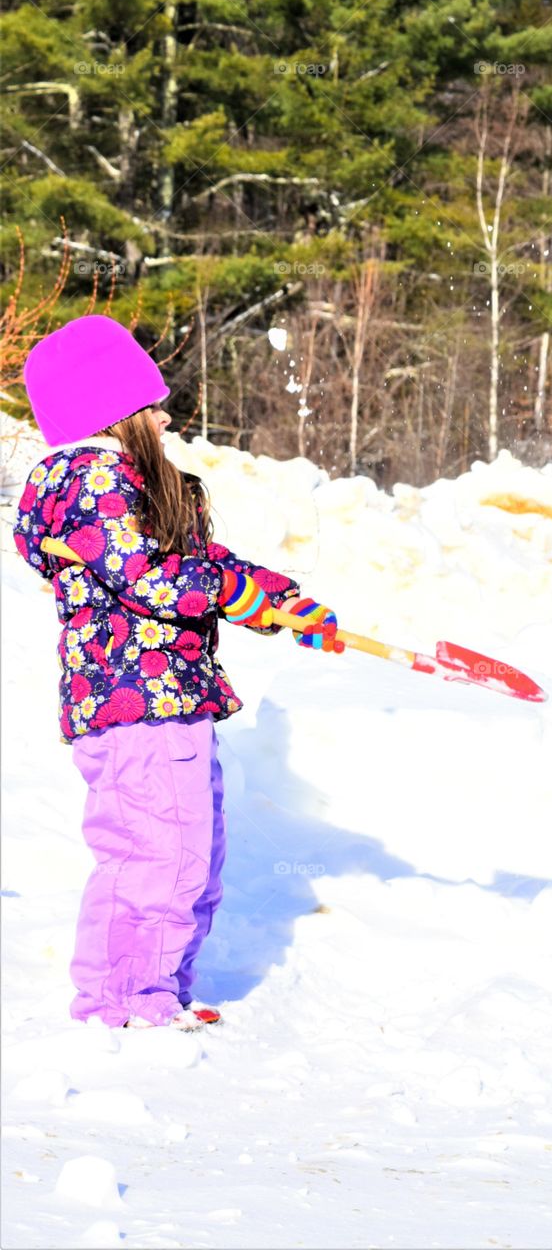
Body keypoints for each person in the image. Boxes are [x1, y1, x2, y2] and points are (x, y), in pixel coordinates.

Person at [13, 314, 343, 1031]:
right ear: (112, 412)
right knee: (154, 859)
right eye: (150, 402)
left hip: (171, 703)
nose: (165, 415)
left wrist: (282, 601)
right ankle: (121, 1006)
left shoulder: (134, 482)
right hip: (137, 708)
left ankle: (158, 990)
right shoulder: (88, 483)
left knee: (191, 858)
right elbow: (150, 579)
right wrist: (231, 593)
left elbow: (207, 568)